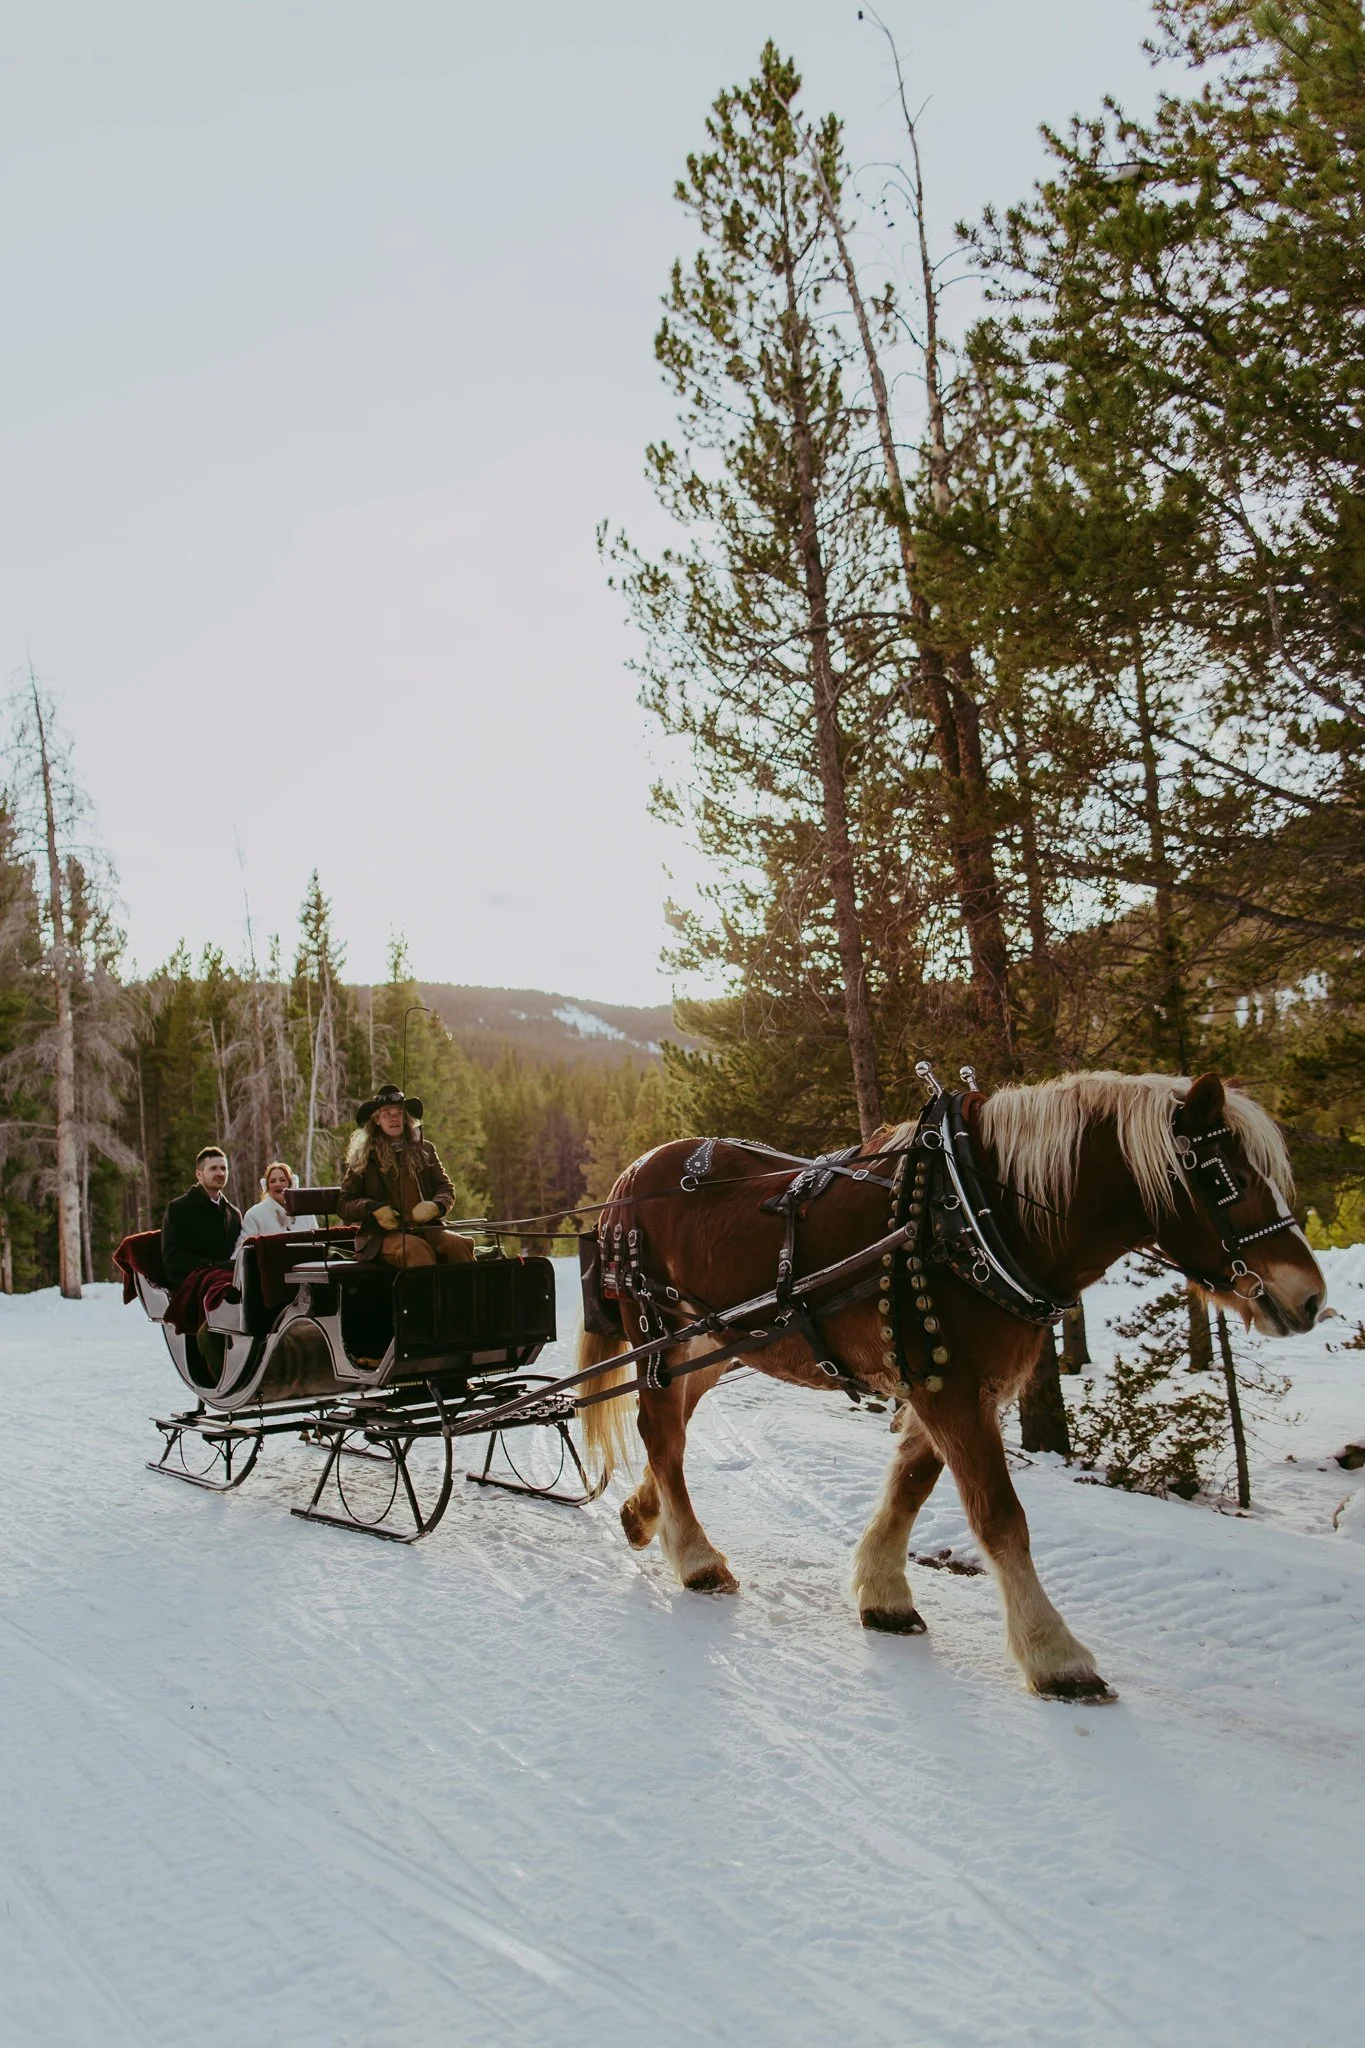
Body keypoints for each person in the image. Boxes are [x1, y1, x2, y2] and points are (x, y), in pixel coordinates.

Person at [339, 1085, 475, 1269]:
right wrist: (373, 1208)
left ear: (406, 1118)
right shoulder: (364, 1157)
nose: (394, 1118)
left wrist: (436, 1206)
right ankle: (425, 1298)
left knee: (458, 1244)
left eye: (399, 1113)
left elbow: (445, 1188)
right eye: (387, 1113)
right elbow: (344, 1204)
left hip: (426, 1229)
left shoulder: (425, 1150)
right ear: (377, 1120)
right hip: (381, 1237)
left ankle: (467, 1297)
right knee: (415, 1250)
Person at [161, 1146, 242, 1288]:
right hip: (192, 1283)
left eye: (224, 1168)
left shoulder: (234, 1214)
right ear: (199, 1174)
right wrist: (211, 1265)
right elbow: (173, 1257)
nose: (220, 1173)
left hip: (231, 1282)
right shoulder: (179, 1208)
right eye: (213, 1169)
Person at [235, 1161, 317, 1249]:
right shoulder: (254, 1214)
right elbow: (242, 1250)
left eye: (282, 1180)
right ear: (267, 1186)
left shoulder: (306, 1213)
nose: (278, 1184)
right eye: (272, 1181)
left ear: (291, 1183)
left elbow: (317, 1243)